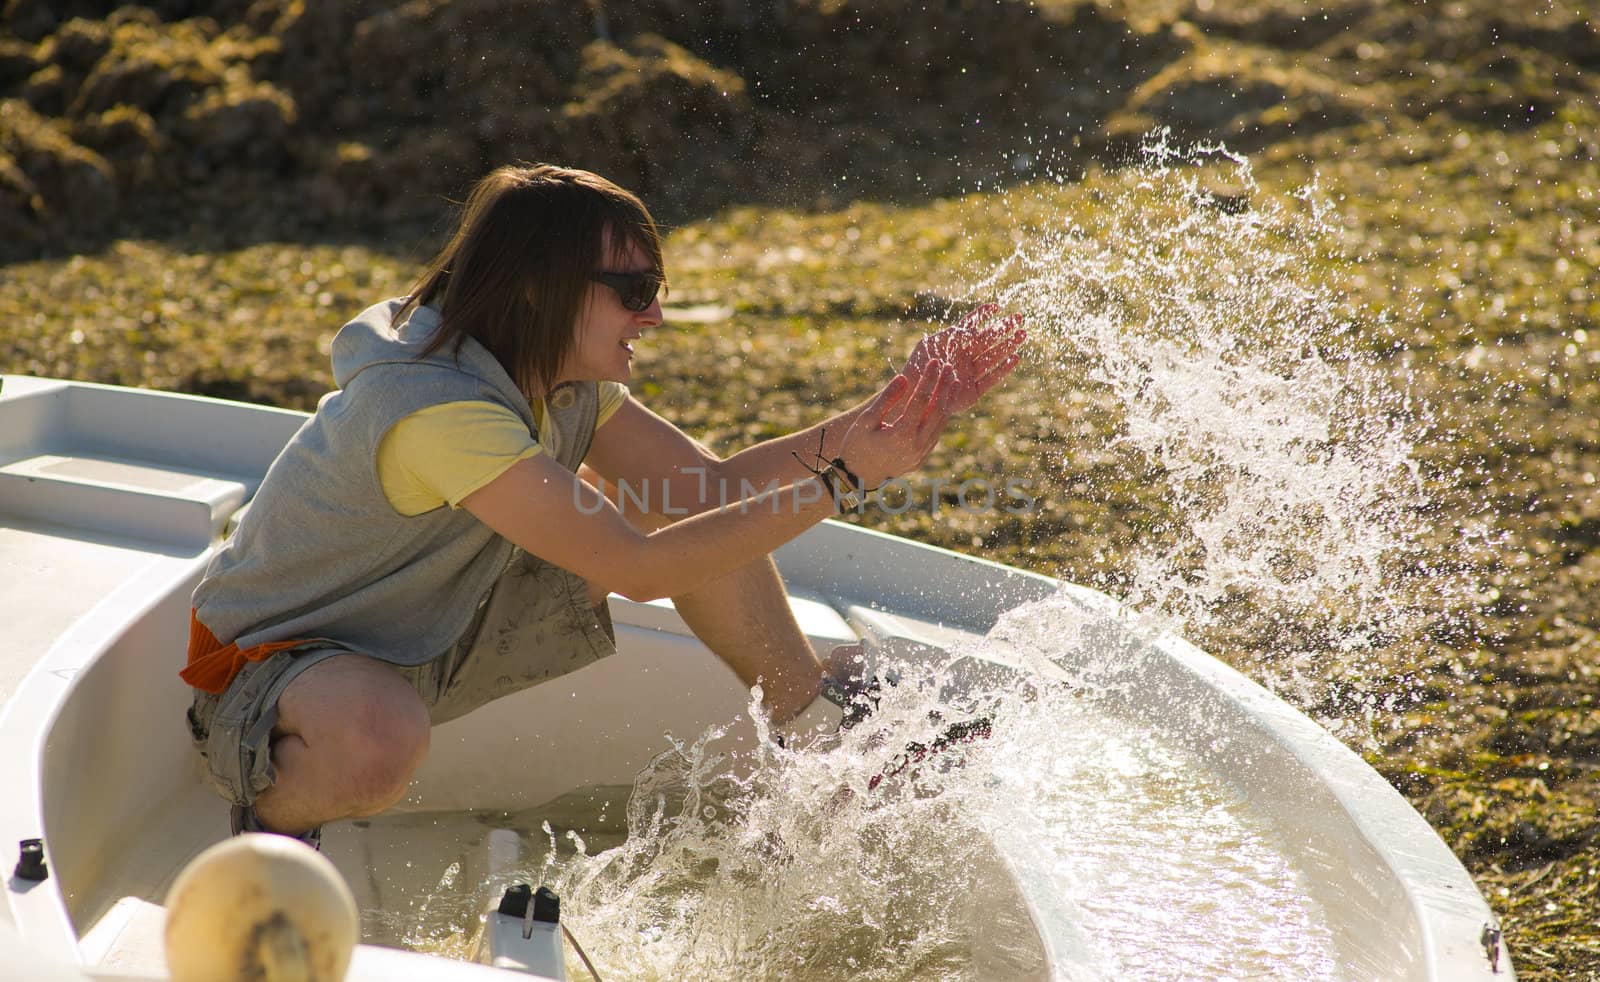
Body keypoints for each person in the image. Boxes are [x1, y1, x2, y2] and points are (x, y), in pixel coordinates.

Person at [181, 163, 1026, 845]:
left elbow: (709, 490)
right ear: (536, 290)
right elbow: (638, 569)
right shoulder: (439, 409)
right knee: (376, 738)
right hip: (274, 675)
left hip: (430, 629)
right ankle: (271, 828)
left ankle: (814, 724)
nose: (655, 314)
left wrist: (878, 422)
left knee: (674, 507)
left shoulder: (554, 372)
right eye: (633, 288)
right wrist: (843, 480)